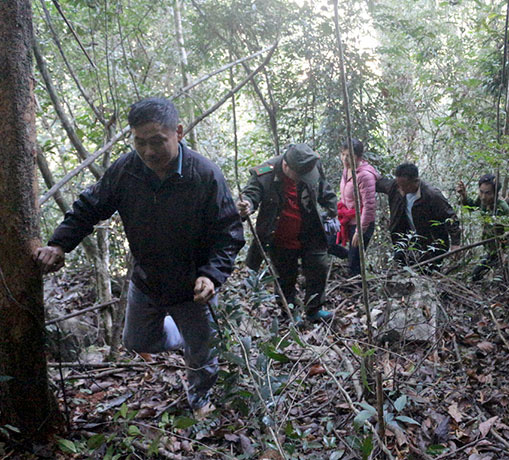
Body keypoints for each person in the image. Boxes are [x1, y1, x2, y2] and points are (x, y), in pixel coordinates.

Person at [33, 97, 245, 417]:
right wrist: (60, 244)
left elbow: (228, 233)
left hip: (193, 287)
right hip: (147, 282)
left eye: (157, 141)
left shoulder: (204, 175)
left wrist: (211, 275)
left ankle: (200, 399)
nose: (148, 151)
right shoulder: (127, 169)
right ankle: (185, 334)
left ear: (178, 132)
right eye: (140, 142)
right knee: (137, 342)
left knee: (203, 354)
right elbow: (90, 207)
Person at [237, 143, 337, 323]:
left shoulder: (312, 166)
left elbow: (324, 189)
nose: (303, 179)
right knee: (285, 277)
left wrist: (331, 211)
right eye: (299, 176)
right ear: (285, 166)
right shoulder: (265, 174)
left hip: (310, 232)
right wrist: (247, 206)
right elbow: (251, 194)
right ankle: (290, 312)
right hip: (280, 237)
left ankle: (314, 310)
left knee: (319, 268)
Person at [376, 163, 460, 267]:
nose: (400, 189)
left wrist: (456, 243)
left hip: (432, 243)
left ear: (416, 181)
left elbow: (450, 217)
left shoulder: (432, 195)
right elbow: (377, 183)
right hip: (407, 241)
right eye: (399, 185)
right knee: (403, 267)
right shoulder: (395, 187)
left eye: (404, 186)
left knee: (427, 272)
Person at [332, 138, 379, 276]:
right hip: (345, 219)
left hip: (361, 224)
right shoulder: (346, 170)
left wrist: (360, 231)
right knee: (327, 242)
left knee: (354, 267)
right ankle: (350, 256)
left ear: (358, 156)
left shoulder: (365, 176)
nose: (345, 159)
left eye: (349, 155)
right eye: (343, 154)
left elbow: (369, 207)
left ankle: (357, 291)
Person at [456, 173, 509, 281]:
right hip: (489, 250)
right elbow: (472, 206)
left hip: (500, 253)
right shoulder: (482, 201)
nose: (483, 197)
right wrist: (464, 195)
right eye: (481, 192)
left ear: (495, 193)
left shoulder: (503, 208)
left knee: (476, 276)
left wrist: (504, 251)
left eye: (487, 193)